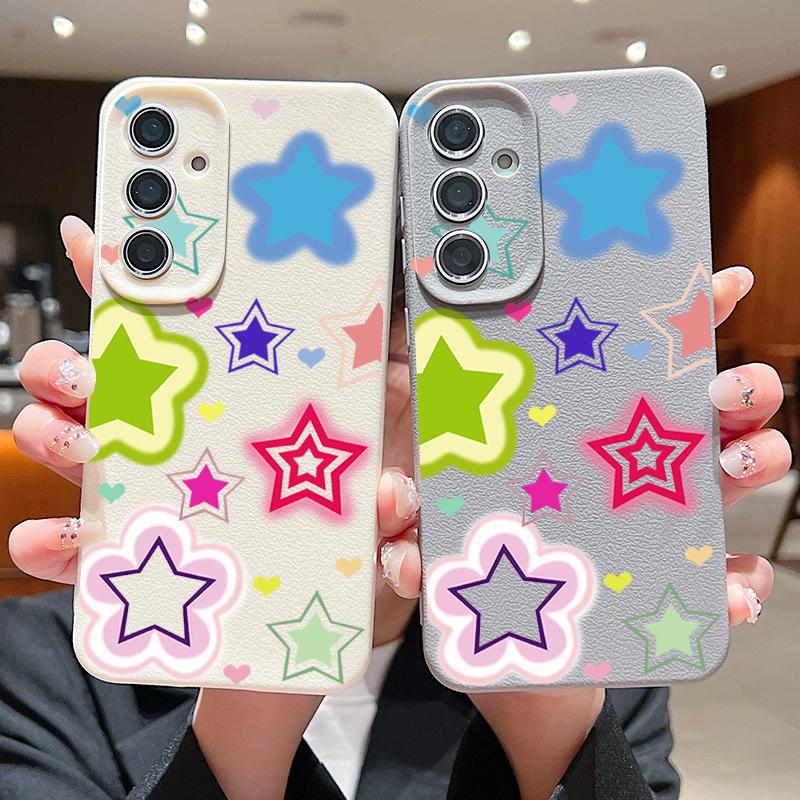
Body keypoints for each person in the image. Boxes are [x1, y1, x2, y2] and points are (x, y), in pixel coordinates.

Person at [0, 216, 787, 800]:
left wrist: (547, 714)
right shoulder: (45, 662)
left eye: (406, 358)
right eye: (272, 358)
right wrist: (251, 697)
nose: (321, 422)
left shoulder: (585, 641)